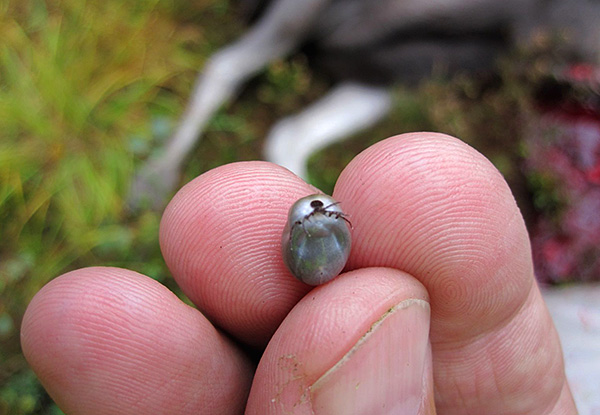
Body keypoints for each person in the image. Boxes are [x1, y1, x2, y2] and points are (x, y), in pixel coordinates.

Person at [21, 133, 576, 414]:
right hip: (312, 263)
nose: (316, 213)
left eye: (321, 212)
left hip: (323, 260)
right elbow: (307, 233)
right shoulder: (310, 232)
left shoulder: (324, 228)